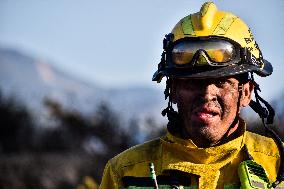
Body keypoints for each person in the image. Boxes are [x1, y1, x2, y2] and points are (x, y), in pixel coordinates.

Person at [99, 2, 283, 189]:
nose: (206, 94)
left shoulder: (278, 165)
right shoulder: (124, 173)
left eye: (221, 82)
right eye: (192, 82)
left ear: (246, 92)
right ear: (173, 90)